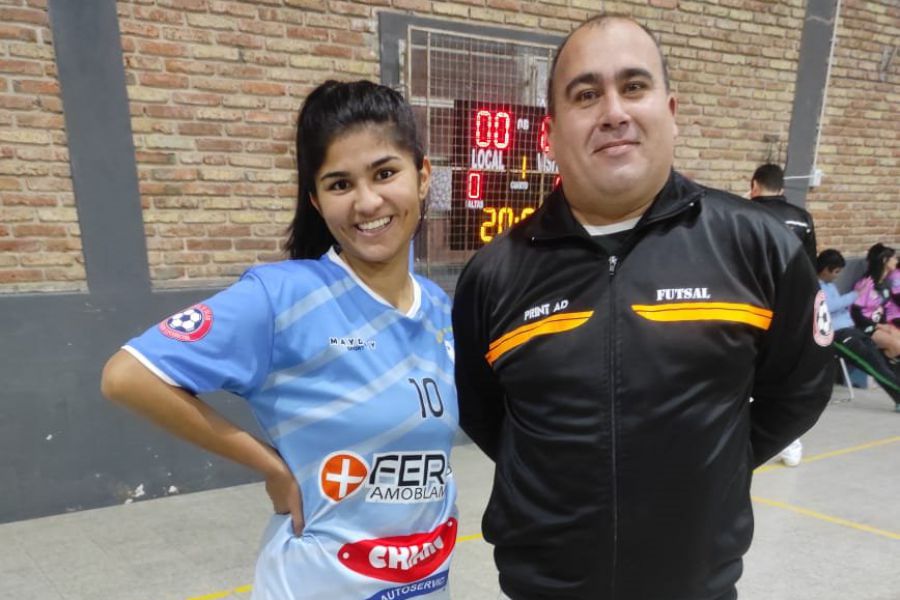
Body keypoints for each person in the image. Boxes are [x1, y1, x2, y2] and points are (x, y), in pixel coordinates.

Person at [451, 14, 833, 600]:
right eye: (586, 94)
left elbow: (799, 391)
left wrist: (714, 468)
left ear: (671, 110)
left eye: (633, 86)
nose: (613, 111)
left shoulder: (758, 249)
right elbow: (486, 416)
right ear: (550, 133)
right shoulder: (494, 274)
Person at [101, 80, 458, 600]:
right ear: (315, 200)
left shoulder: (440, 307)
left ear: (422, 177)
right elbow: (126, 376)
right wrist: (269, 465)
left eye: (385, 173)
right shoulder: (283, 296)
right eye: (339, 184)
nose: (367, 201)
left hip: (425, 582)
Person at [748, 163, 819, 466]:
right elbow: (810, 268)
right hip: (791, 310)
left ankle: (750, 440)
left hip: (753, 307)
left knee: (748, 373)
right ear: (781, 187)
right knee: (786, 377)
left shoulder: (744, 214)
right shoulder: (802, 218)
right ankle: (790, 443)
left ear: (754, 184)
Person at [817, 249, 900, 412]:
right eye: (835, 272)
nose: (837, 276)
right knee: (873, 365)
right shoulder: (813, 286)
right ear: (826, 269)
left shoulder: (830, 285)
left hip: (851, 330)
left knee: (880, 362)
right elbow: (827, 307)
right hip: (837, 336)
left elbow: (840, 306)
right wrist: (855, 295)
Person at [749, 163, 817, 265]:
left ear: (754, 185)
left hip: (749, 280)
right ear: (781, 190)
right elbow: (809, 263)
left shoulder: (742, 215)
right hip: (789, 278)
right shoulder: (802, 219)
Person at [852, 243, 900, 359]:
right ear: (884, 260)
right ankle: (882, 370)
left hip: (880, 325)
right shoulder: (865, 284)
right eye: (893, 257)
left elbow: (884, 309)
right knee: (897, 345)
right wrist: (879, 326)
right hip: (866, 327)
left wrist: (886, 326)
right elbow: (856, 314)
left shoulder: (884, 284)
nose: (896, 260)